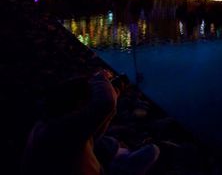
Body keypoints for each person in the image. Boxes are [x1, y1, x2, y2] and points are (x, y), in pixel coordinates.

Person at [23, 71, 159, 175]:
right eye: (85, 102)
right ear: (77, 104)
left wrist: (114, 89)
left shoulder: (47, 122)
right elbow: (106, 102)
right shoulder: (61, 131)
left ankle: (119, 155)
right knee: (154, 150)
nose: (87, 105)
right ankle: (120, 166)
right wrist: (100, 77)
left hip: (62, 164)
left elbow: (93, 125)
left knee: (106, 142)